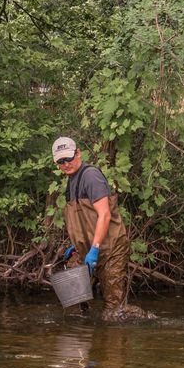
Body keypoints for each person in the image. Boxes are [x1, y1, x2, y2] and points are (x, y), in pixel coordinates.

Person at [53, 136, 133, 318]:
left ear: (78, 153)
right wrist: (77, 243)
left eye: (69, 158)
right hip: (87, 248)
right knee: (72, 299)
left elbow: (104, 215)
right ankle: (86, 336)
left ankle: (148, 320)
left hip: (111, 248)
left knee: (113, 312)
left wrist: (94, 249)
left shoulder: (91, 177)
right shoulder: (71, 182)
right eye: (61, 161)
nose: (66, 164)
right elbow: (82, 218)